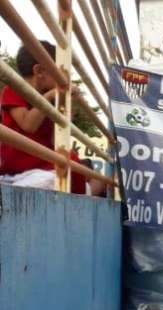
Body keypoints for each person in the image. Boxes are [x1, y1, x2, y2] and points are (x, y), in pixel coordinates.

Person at [1, 41, 105, 196]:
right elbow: (28, 125)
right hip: (19, 169)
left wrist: (64, 114)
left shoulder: (51, 102)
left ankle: (84, 191)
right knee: (58, 178)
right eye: (59, 73)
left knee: (97, 177)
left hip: (42, 165)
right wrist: (51, 95)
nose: (64, 79)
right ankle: (84, 192)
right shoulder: (13, 90)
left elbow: (55, 142)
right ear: (39, 71)